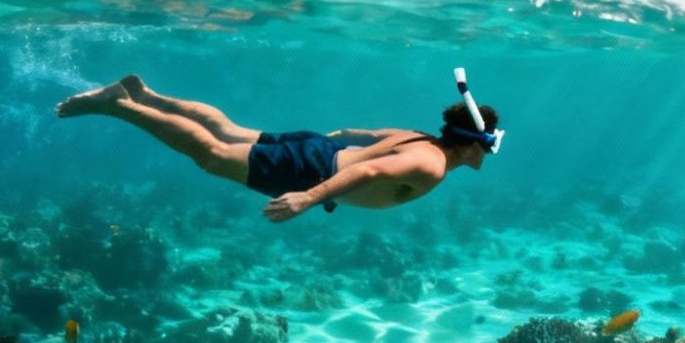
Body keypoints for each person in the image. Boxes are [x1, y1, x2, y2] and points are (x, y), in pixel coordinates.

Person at [55, 71, 502, 223]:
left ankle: (147, 95)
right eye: (492, 146)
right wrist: (309, 197)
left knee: (229, 130)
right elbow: (368, 173)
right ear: (474, 144)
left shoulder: (418, 137)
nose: (490, 155)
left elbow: (357, 133)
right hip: (312, 170)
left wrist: (328, 147)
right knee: (211, 155)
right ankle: (119, 106)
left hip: (316, 150)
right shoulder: (430, 164)